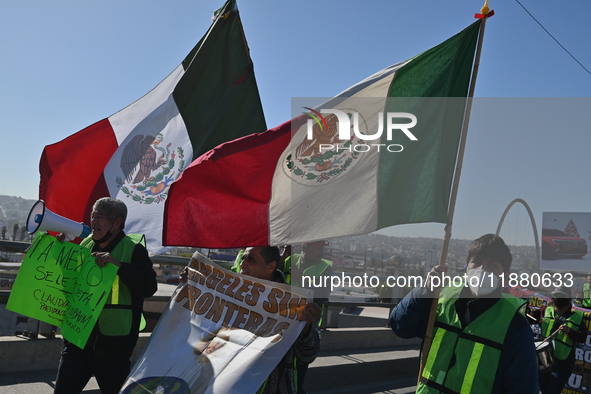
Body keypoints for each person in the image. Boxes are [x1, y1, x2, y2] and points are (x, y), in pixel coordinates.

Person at [390, 234, 539, 393]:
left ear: (506, 276)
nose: (483, 271)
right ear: (466, 267)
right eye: (477, 262)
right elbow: (401, 326)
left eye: (493, 266)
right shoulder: (441, 302)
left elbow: (524, 386)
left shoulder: (515, 325)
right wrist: (425, 291)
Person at [54, 197, 158, 394]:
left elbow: (149, 286)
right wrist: (61, 253)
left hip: (113, 346)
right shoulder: (85, 245)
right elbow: (70, 281)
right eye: (93, 215)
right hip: (77, 341)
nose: (93, 220)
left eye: (100, 217)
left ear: (116, 223)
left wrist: (119, 267)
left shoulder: (133, 249)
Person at [239, 246, 321, 394]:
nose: (242, 263)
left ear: (270, 267)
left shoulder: (293, 303)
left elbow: (308, 355)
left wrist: (306, 327)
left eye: (251, 259)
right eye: (243, 258)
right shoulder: (230, 292)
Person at [283, 241, 333, 393]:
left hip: (305, 327)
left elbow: (322, 295)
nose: (321, 252)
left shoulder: (326, 267)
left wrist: (301, 279)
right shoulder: (289, 261)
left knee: (298, 373)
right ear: (304, 248)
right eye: (317, 249)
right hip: (284, 323)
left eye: (322, 249)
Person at [539, 285, 587, 394]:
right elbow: (531, 318)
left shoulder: (577, 317)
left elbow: (583, 338)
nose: (558, 298)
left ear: (570, 300)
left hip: (563, 362)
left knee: (553, 391)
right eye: (556, 296)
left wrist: (570, 332)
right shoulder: (546, 311)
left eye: (562, 296)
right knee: (542, 390)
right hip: (544, 359)